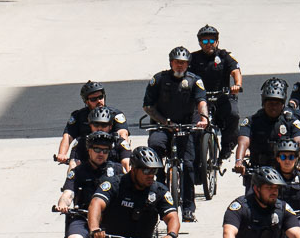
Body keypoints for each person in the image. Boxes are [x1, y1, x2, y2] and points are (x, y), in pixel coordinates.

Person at [55, 128, 121, 238]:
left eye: (105, 151)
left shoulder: (117, 170)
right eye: (97, 149)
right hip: (82, 217)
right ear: (89, 150)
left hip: (109, 220)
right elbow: (68, 193)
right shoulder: (78, 172)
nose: (101, 154)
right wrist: (63, 204)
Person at [143, 46, 210, 222]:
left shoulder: (195, 80)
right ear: (171, 63)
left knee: (188, 165)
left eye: (184, 63)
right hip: (162, 126)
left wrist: (204, 117)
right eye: (177, 62)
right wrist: (166, 123)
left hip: (185, 126)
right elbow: (148, 106)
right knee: (154, 155)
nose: (180, 66)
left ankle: (188, 209)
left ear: (188, 65)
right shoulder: (158, 79)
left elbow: (201, 101)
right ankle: (158, 194)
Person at [188, 25, 242, 164]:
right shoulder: (193, 58)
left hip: (222, 96)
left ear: (217, 41)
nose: (208, 44)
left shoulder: (224, 56)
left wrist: (237, 85)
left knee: (233, 115)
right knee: (194, 125)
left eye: (211, 41)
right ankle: (196, 160)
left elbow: (236, 71)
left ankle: (226, 148)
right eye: (204, 42)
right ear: (200, 43)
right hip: (201, 99)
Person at [55, 81, 132, 170]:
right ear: (86, 101)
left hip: (111, 152)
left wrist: (124, 153)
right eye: (93, 99)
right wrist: (62, 154)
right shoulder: (78, 116)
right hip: (87, 155)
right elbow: (68, 137)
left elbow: (123, 134)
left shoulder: (115, 114)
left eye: (100, 97)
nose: (99, 101)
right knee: (73, 166)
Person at [269, 137, 300, 212]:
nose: (287, 161)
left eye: (291, 157)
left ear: (296, 159)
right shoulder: (271, 178)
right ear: (278, 159)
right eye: (283, 157)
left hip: (299, 219)